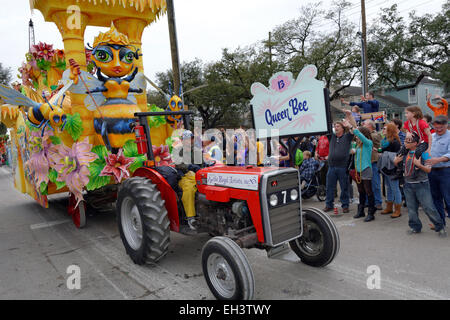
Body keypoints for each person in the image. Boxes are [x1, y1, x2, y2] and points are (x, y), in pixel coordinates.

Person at [393, 132, 446, 237]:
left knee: (429, 207)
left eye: (409, 140)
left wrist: (418, 165)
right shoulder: (404, 153)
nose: (406, 142)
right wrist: (395, 162)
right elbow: (401, 167)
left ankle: (440, 227)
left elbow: (428, 169)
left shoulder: (424, 153)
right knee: (412, 208)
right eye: (405, 140)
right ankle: (415, 227)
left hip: (421, 184)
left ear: (416, 143)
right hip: (408, 184)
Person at [343, 113, 376, 221]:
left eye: (359, 135)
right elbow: (355, 133)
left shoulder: (368, 143)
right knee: (361, 191)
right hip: (358, 170)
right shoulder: (358, 145)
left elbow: (357, 132)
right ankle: (361, 210)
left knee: (368, 191)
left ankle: (371, 212)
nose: (356, 136)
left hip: (366, 169)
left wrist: (351, 126)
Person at [323, 121, 353, 213]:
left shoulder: (347, 137)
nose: (336, 128)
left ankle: (345, 205)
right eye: (335, 126)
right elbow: (326, 128)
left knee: (344, 187)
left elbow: (352, 132)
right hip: (332, 166)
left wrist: (349, 125)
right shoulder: (331, 136)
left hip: (343, 167)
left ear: (343, 128)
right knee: (329, 187)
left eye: (338, 126)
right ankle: (329, 204)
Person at [425, 115, 450, 225]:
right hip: (432, 172)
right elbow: (425, 150)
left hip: (446, 171)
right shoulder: (432, 136)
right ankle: (440, 222)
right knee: (435, 198)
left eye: (441, 128)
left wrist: (438, 160)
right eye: (436, 127)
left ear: (446, 125)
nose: (439, 130)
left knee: (448, 198)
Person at [379, 123, 402, 218]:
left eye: (385, 129)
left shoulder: (394, 141)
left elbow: (397, 156)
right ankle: (389, 207)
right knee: (388, 187)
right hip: (386, 167)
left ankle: (398, 209)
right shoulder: (385, 141)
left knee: (395, 188)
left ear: (390, 130)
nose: (382, 130)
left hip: (392, 168)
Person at [363, 119, 383, 210]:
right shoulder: (367, 135)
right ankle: (369, 201)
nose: (363, 125)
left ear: (370, 126)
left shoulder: (375, 135)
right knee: (367, 184)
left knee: (375, 183)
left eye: (365, 124)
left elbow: (369, 139)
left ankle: (378, 202)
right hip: (366, 162)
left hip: (373, 162)